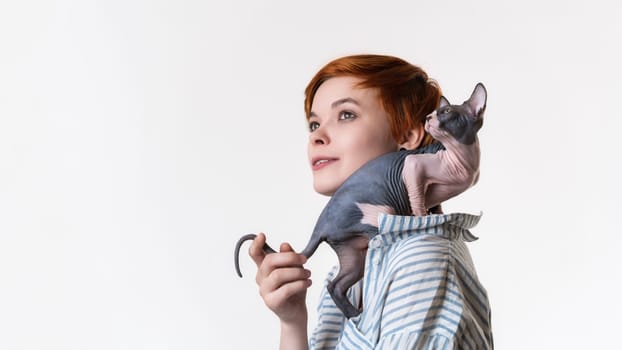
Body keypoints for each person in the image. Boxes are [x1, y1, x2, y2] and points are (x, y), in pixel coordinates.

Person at [248, 54, 493, 349]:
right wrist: (292, 321)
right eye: (313, 125)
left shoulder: (421, 259)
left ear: (409, 135)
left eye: (346, 115)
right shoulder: (359, 271)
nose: (317, 137)